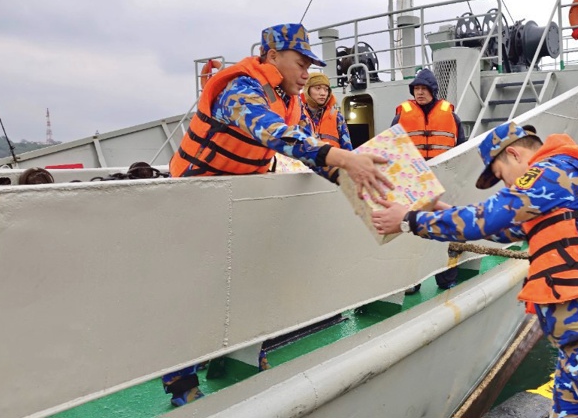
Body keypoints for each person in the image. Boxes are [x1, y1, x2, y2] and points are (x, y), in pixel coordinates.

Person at [372, 122, 578, 417]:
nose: (507, 186)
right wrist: (438, 210)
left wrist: (408, 220)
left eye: (502, 176)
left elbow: (490, 217)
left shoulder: (553, 170)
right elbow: (504, 230)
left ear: (515, 154)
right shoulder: (558, 185)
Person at [165, 23, 391, 407]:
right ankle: (181, 384)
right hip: (193, 202)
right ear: (272, 57)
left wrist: (352, 181)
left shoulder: (291, 100)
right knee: (192, 293)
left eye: (310, 65)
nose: (306, 73)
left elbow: (305, 149)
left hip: (241, 202)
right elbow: (270, 133)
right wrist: (340, 157)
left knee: (246, 280)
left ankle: (238, 351)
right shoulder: (240, 90)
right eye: (300, 63)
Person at [392, 68, 466, 292]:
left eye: (424, 88)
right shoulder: (400, 115)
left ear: (433, 90)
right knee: (411, 233)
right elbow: (392, 148)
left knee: (444, 231)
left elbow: (461, 150)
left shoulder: (452, 117)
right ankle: (411, 282)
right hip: (412, 184)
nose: (420, 92)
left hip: (443, 183)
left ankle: (446, 279)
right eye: (416, 88)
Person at [300, 72, 352, 150]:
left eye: (326, 89)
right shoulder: (298, 115)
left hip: (332, 161)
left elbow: (348, 149)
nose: (323, 93)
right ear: (307, 90)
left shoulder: (337, 117)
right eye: (318, 88)